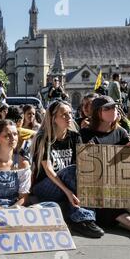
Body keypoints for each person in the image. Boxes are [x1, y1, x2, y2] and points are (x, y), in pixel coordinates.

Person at [0, 120, 59, 241]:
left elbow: (24, 197)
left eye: (15, 134)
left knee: (53, 206)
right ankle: (15, 225)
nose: (13, 138)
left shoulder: (23, 163)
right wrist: (2, 211)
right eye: (7, 135)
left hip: (16, 208)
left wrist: (13, 210)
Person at [30, 100, 105, 238]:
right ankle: (80, 220)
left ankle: (86, 219)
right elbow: (49, 171)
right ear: (53, 118)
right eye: (64, 114)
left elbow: (82, 167)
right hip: (45, 186)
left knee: (83, 170)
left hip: (68, 182)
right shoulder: (43, 138)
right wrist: (68, 192)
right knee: (71, 170)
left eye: (70, 113)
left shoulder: (75, 137)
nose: (69, 117)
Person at [80, 96, 130, 236]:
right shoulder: (86, 134)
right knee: (111, 208)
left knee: (129, 202)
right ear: (98, 112)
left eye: (114, 107)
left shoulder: (121, 132)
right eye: (108, 108)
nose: (114, 110)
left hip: (122, 186)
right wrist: (85, 151)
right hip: (99, 192)